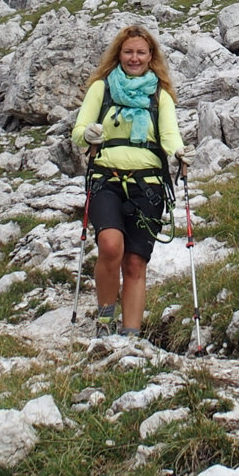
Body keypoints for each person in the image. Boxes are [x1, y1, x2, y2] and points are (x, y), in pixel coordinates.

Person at [72, 23, 185, 338]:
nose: (134, 58)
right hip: (105, 179)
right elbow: (78, 131)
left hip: (148, 186)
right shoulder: (102, 88)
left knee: (135, 261)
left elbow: (169, 135)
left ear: (151, 57)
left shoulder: (160, 95)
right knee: (110, 245)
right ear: (118, 54)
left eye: (141, 53)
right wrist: (88, 134)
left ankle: (130, 338)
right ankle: (105, 322)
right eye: (128, 52)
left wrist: (180, 152)